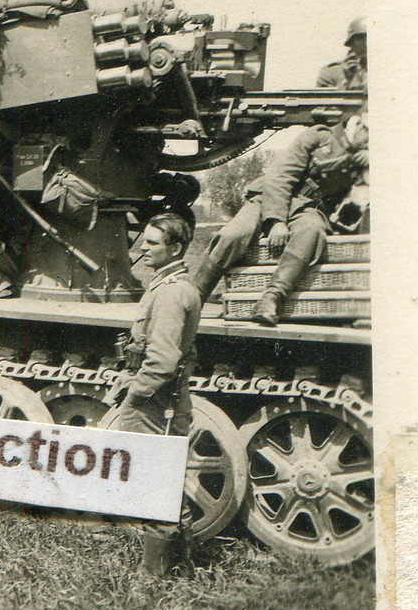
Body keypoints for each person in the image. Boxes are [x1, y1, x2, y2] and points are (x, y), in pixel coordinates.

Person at [192, 112, 369, 324]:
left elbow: (355, 208)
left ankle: (271, 299)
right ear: (359, 126)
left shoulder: (366, 158)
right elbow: (279, 178)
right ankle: (194, 296)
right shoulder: (320, 136)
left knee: (311, 231)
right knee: (234, 234)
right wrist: (276, 222)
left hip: (308, 208)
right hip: (270, 198)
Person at [104, 213, 201, 576]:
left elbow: (162, 360)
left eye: (152, 243)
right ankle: (182, 566)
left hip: (155, 401)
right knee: (167, 479)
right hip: (162, 397)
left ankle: (152, 576)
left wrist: (135, 395)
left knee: (154, 482)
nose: (143, 248)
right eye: (143, 240)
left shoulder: (172, 293)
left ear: (175, 249)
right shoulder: (169, 286)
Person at [316, 17, 367, 92]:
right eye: (361, 38)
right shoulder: (330, 73)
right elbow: (325, 98)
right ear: (351, 42)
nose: (366, 43)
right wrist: (345, 81)